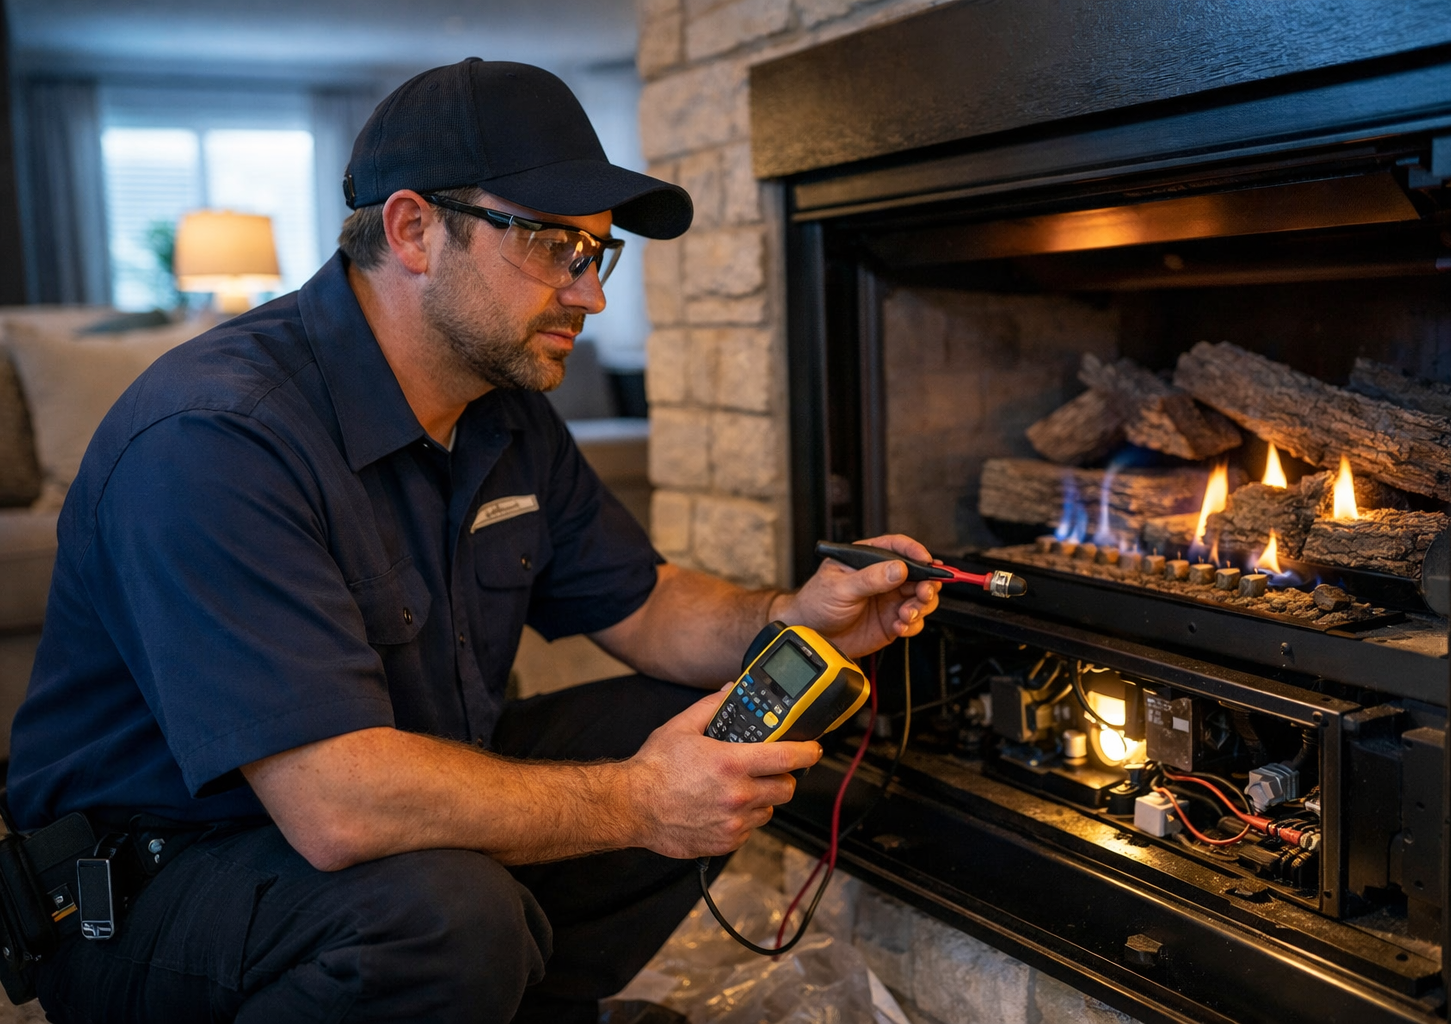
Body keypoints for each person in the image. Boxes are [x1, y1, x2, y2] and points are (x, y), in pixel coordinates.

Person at [6, 59, 941, 1023]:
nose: (592, 295)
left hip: (370, 832)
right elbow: (337, 807)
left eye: (597, 254)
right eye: (553, 246)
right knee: (448, 917)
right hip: (150, 896)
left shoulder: (502, 412)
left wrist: (793, 616)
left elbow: (648, 604)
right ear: (413, 229)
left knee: (712, 721)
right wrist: (639, 800)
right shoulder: (215, 435)